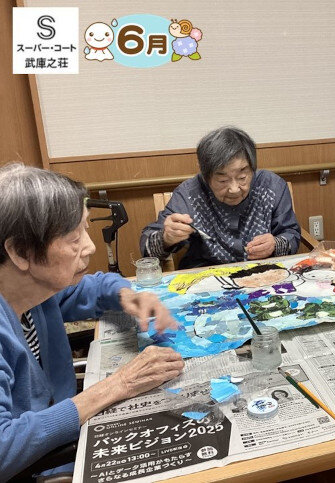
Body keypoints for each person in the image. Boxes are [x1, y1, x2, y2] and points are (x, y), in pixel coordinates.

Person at [0, 164, 185, 479]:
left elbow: (93, 287)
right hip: (45, 467)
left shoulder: (34, 291)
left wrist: (126, 295)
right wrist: (118, 385)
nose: (90, 247)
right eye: (74, 238)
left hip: (70, 441)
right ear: (20, 251)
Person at [140, 126, 301, 269]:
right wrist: (166, 238)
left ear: (252, 168)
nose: (234, 189)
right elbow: (147, 248)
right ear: (205, 176)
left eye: (242, 177)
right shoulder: (189, 194)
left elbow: (291, 233)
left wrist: (275, 244)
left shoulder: (271, 186)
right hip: (205, 279)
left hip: (263, 274)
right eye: (223, 180)